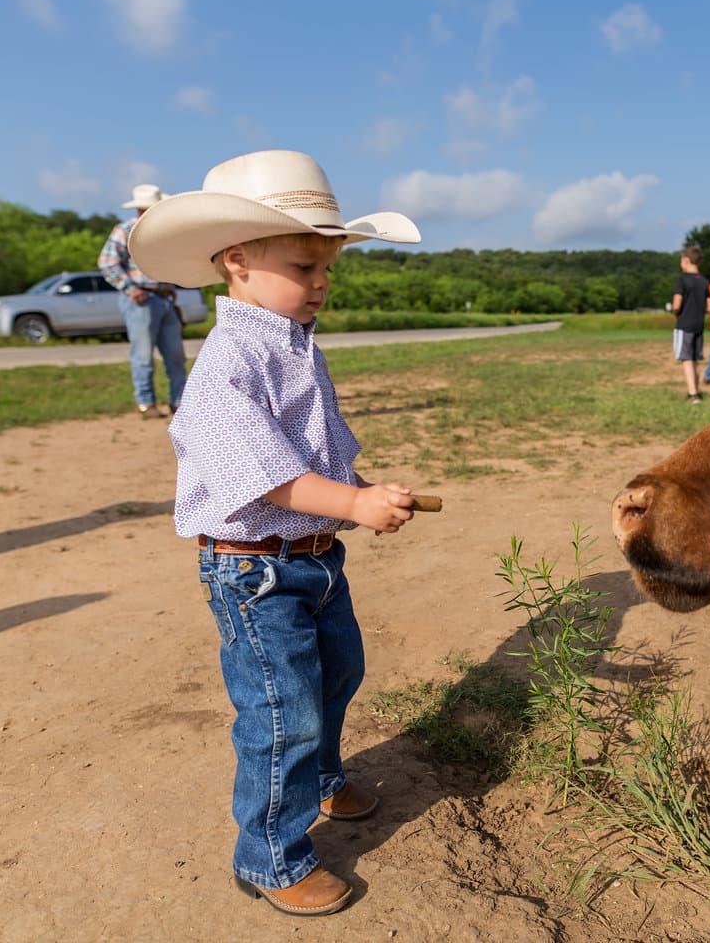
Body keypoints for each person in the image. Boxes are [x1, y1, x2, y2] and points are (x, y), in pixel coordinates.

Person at [127, 150, 423, 917]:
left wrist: (355, 494)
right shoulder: (228, 362)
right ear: (237, 263)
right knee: (281, 710)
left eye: (327, 268)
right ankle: (268, 855)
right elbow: (264, 476)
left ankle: (322, 782)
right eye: (304, 265)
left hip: (314, 560)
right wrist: (354, 507)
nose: (322, 283)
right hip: (254, 573)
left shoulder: (293, 344)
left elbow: (310, 454)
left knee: (335, 677)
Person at [99, 183, 189, 418]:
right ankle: (146, 402)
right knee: (143, 355)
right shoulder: (125, 230)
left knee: (176, 355)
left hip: (163, 298)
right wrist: (129, 288)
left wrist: (168, 286)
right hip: (140, 298)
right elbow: (107, 262)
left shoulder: (164, 233)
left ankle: (179, 402)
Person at [672, 245, 710, 403]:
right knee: (694, 359)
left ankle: (693, 394)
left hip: (684, 324)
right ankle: (695, 391)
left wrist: (676, 314)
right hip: (699, 325)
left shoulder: (681, 280)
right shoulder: (704, 282)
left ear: (686, 260)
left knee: (686, 359)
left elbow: (676, 305)